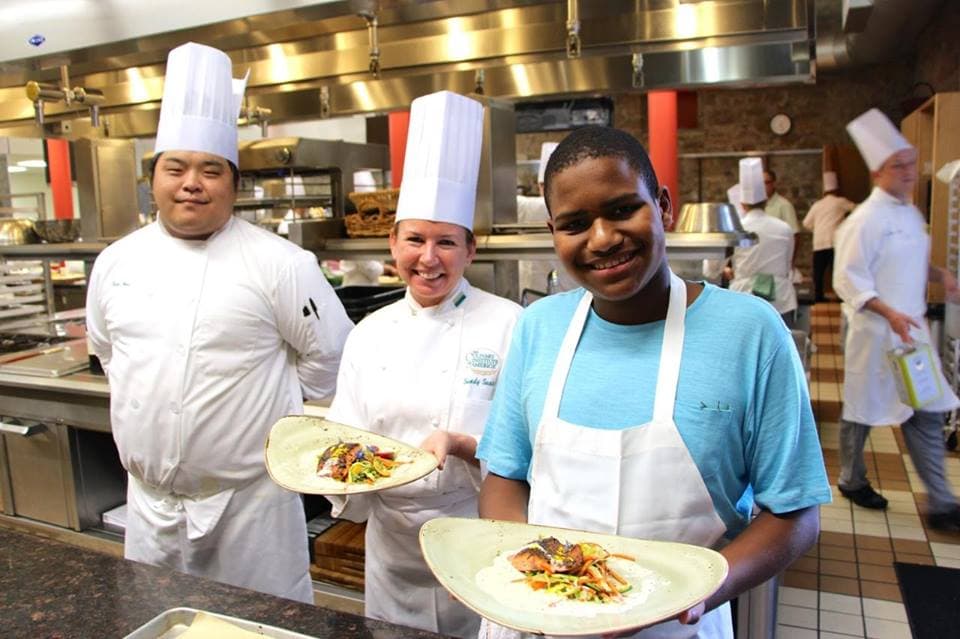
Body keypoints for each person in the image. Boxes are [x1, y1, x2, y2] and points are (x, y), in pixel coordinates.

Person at [477, 126, 830, 638]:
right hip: (535, 620)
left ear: (663, 206)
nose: (602, 238)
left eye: (622, 210)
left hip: (680, 626)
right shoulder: (538, 327)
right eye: (576, 224)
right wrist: (535, 577)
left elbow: (795, 514)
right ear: (554, 232)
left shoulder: (749, 332)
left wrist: (703, 589)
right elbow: (505, 477)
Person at [85, 42, 354, 603]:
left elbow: (330, 363)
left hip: (249, 509)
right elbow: (109, 354)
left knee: (260, 623)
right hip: (150, 505)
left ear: (234, 184)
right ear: (152, 178)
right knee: (161, 620)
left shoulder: (283, 264)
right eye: (175, 167)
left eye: (211, 170)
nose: (192, 183)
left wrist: (252, 417)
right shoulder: (115, 262)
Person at [325, 91, 522, 638]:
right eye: (414, 239)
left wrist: (462, 445)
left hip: (477, 535)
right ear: (392, 243)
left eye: (446, 242)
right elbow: (345, 436)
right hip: (393, 548)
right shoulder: (369, 333)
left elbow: (533, 447)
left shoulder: (511, 326)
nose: (428, 258)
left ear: (471, 249)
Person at [833, 108, 960, 532]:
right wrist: (888, 312)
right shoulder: (864, 220)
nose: (908, 172)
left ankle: (941, 501)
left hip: (911, 333)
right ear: (877, 173)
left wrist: (940, 275)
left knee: (925, 410)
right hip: (874, 333)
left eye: (910, 163)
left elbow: (910, 262)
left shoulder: (910, 213)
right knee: (862, 412)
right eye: (898, 166)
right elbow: (847, 279)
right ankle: (851, 479)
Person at [727, 158, 798, 327]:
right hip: (781, 300)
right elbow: (787, 264)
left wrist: (727, 269)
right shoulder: (784, 229)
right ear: (766, 201)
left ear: (742, 204)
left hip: (743, 299)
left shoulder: (735, 229)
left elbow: (711, 268)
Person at [803, 172, 855, 302]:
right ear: (836, 189)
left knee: (818, 272)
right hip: (834, 241)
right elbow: (857, 209)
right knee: (836, 270)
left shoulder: (817, 205)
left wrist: (817, 229)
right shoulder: (840, 202)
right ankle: (840, 296)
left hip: (819, 242)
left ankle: (818, 296)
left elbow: (806, 223)